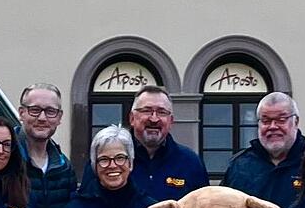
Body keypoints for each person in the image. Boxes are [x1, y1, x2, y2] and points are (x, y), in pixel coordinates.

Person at [80, 85, 209, 201]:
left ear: (171, 121)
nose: (154, 118)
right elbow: (86, 207)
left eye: (161, 112)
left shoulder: (190, 163)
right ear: (131, 118)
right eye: (146, 111)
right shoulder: (106, 162)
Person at [221, 91, 305, 208]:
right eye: (266, 121)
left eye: (281, 120)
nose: (273, 126)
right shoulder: (240, 166)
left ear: (296, 122)